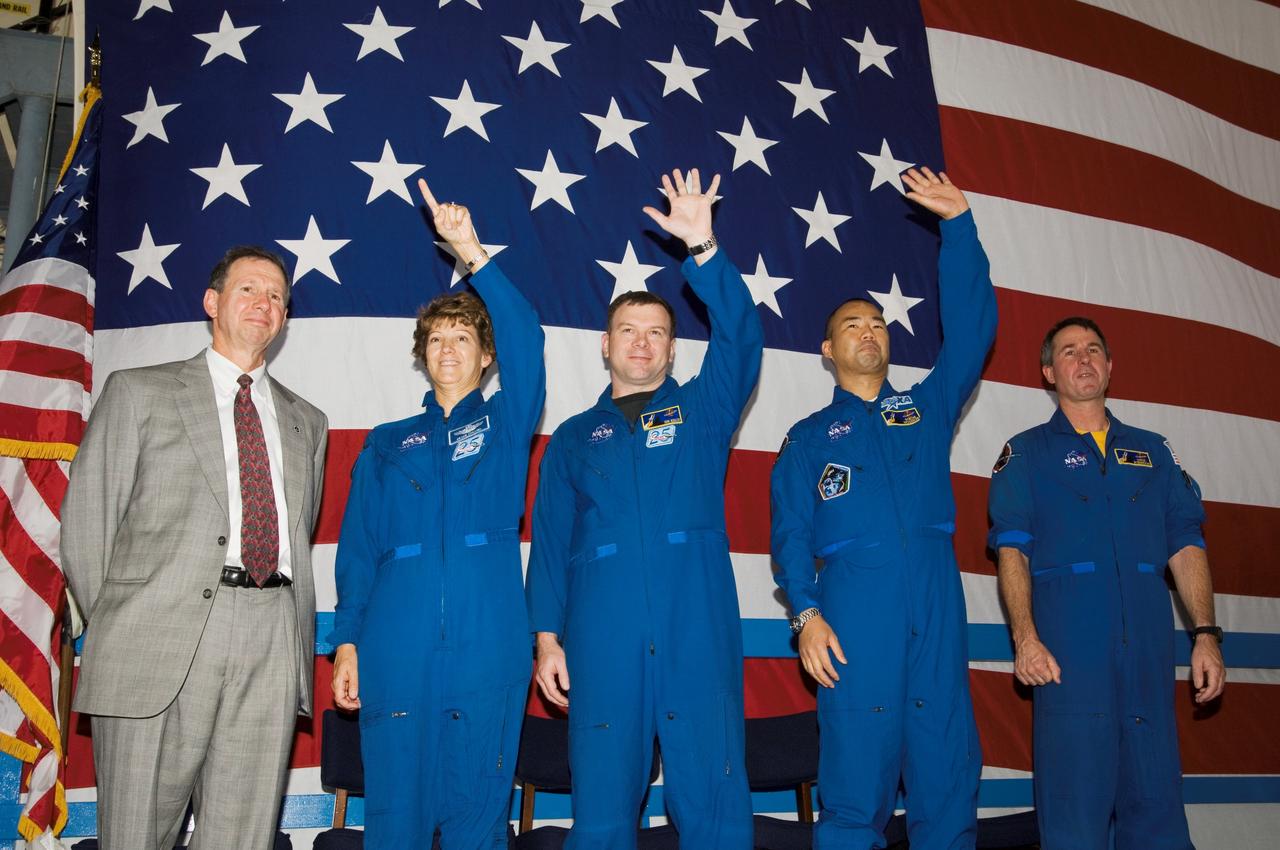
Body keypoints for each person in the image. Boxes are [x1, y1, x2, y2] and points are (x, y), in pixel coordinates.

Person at [61, 246, 328, 850]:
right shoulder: (137, 392)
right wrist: (126, 624)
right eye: (248, 290)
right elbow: (87, 524)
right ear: (212, 303)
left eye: (277, 297)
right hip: (154, 639)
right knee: (135, 835)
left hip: (270, 637)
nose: (264, 304)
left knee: (242, 836)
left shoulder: (306, 422)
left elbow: (298, 530)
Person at [527, 168, 762, 849]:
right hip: (602, 640)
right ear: (605, 345)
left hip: (697, 630)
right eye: (627, 330)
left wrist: (705, 249)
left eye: (655, 331)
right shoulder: (572, 439)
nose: (640, 342)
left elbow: (742, 342)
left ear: (671, 346)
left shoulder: (703, 410)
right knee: (601, 815)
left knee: (715, 805)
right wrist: (547, 639)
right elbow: (550, 543)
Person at [769, 168, 995, 849]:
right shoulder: (807, 440)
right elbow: (789, 537)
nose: (868, 331)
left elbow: (973, 330)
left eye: (876, 322)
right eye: (851, 325)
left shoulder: (924, 409)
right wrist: (806, 616)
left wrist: (958, 230)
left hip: (934, 599)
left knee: (946, 778)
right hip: (852, 613)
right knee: (854, 789)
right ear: (829, 351)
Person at [329, 177, 545, 848]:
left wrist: (471, 250)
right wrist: (347, 641)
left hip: (489, 647)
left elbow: (529, 339)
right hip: (396, 647)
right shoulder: (387, 444)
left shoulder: (508, 427)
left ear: (486, 358)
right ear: (422, 356)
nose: (448, 349)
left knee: (478, 823)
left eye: (463, 339)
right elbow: (359, 550)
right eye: (436, 340)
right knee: (395, 822)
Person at [987, 317, 1225, 850]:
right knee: (1075, 822)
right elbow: (1011, 552)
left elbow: (1186, 543)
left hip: (1147, 661)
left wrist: (1206, 634)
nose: (1084, 358)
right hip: (1070, 663)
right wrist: (1025, 638)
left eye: (1094, 349)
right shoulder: (1025, 454)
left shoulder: (1154, 451)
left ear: (1110, 366)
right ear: (1049, 372)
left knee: (1158, 815)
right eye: (1069, 351)